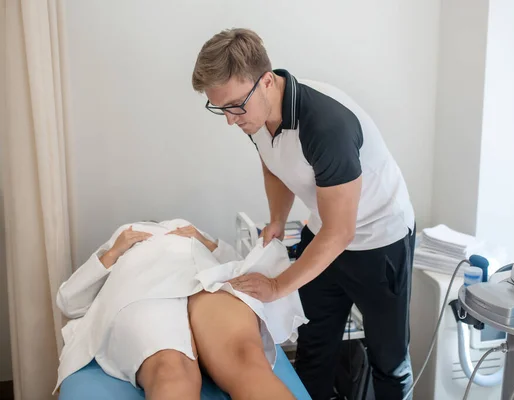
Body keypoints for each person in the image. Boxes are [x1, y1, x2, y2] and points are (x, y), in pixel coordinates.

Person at [191, 28, 416, 400]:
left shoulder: (326, 127)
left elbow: (341, 232)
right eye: (220, 108)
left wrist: (278, 287)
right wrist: (277, 219)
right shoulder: (254, 112)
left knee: (388, 359)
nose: (230, 120)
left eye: (233, 106)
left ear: (266, 82)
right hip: (324, 228)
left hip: (379, 241)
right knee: (313, 347)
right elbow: (272, 164)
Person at [55, 219, 305, 400]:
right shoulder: (124, 236)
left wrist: (207, 242)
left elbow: (237, 266)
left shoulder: (190, 232)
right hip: (143, 289)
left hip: (204, 281)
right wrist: (114, 250)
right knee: (170, 370)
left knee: (246, 358)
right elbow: (70, 301)